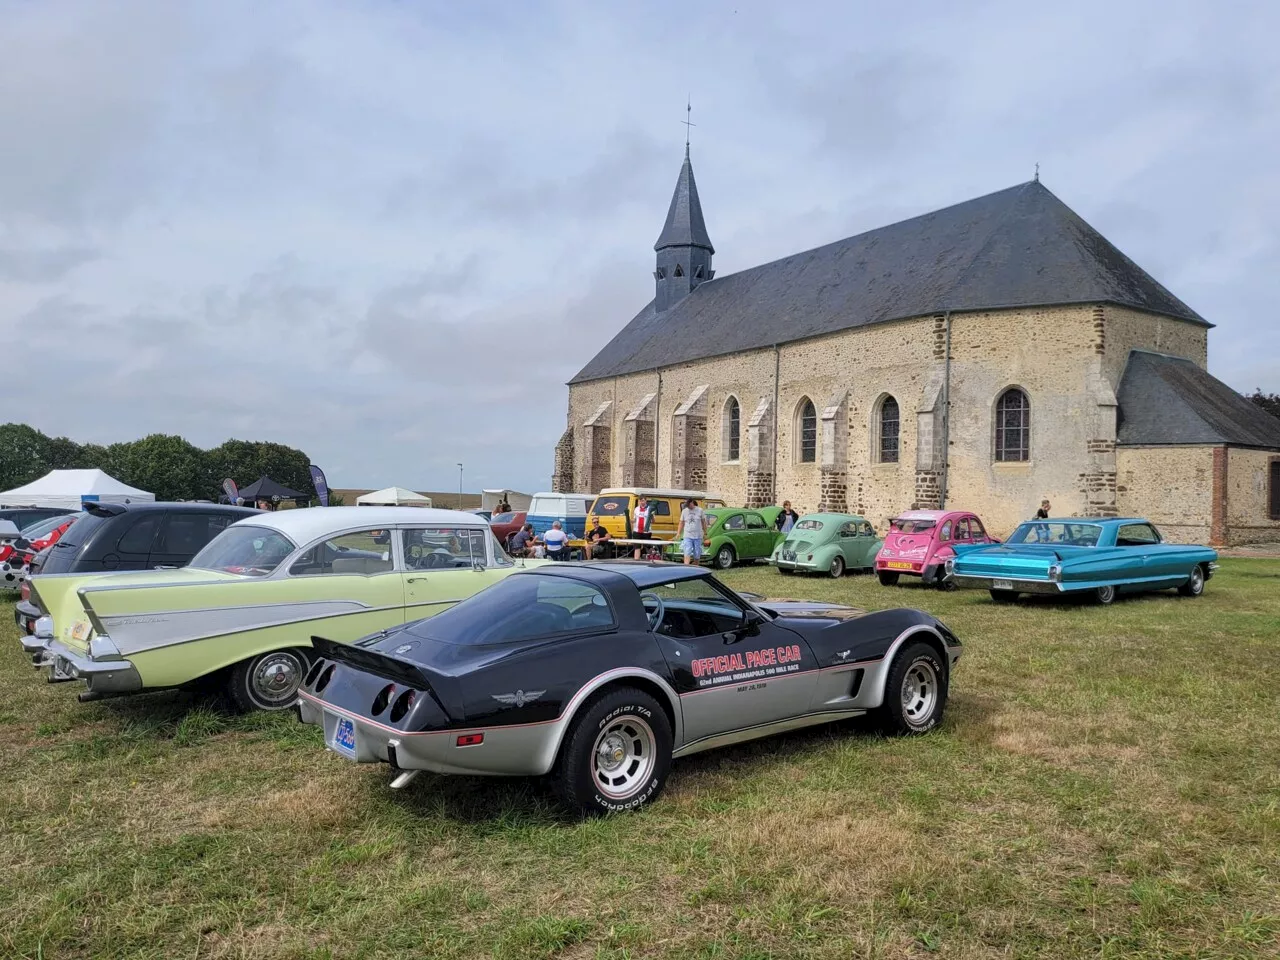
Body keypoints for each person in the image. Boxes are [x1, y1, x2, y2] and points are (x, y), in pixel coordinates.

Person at [678, 498, 706, 565]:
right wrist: (678, 532)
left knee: (697, 553)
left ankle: (696, 565)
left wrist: (705, 532)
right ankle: (686, 566)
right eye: (686, 505)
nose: (687, 506)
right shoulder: (684, 511)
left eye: (688, 505)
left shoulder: (700, 510)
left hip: (698, 535)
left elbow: (703, 522)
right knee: (687, 551)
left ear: (692, 503)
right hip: (688, 535)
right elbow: (681, 522)